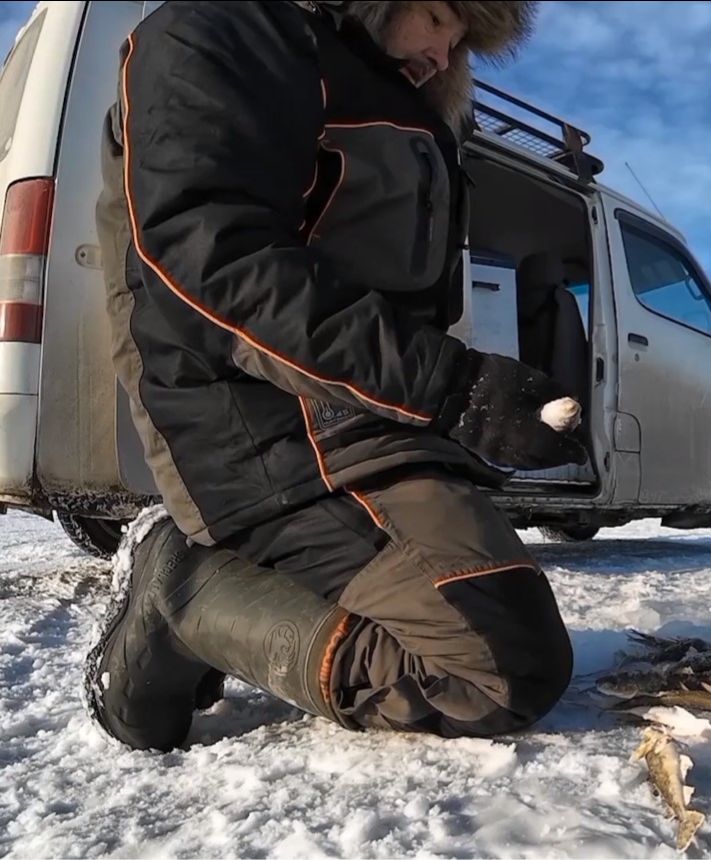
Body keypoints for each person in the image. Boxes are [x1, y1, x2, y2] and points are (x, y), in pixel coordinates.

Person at [86, 0, 589, 752]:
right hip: (257, 414)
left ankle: (234, 577)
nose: (446, 53)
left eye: (466, 41)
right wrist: (454, 389)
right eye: (440, 15)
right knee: (496, 671)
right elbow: (216, 263)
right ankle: (184, 595)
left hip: (367, 417)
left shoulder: (399, 100)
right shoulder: (227, 31)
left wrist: (477, 406)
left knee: (498, 624)